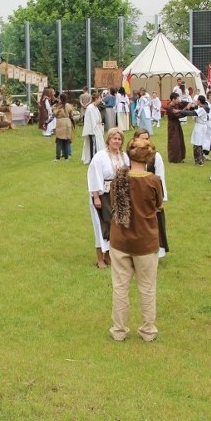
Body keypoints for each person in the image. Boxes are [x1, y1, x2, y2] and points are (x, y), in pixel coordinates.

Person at [108, 136, 164, 342]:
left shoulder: (118, 179)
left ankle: (119, 330)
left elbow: (113, 202)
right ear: (149, 157)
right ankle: (148, 330)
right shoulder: (153, 181)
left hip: (120, 239)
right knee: (147, 287)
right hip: (145, 241)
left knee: (120, 286)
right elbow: (159, 205)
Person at [87, 128, 129, 269]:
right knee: (102, 224)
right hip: (102, 194)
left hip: (118, 194)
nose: (117, 141)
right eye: (114, 138)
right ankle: (100, 258)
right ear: (108, 140)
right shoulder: (100, 157)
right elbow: (94, 176)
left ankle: (109, 256)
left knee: (115, 225)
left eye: (119, 139)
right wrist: (96, 196)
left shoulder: (124, 156)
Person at [133, 128, 169, 258]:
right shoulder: (131, 156)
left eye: (147, 138)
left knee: (154, 224)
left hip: (151, 196)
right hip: (136, 194)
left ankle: (156, 252)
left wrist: (161, 199)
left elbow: (160, 178)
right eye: (142, 138)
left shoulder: (155, 156)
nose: (145, 141)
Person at [164, 93, 189, 163]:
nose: (178, 100)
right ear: (173, 99)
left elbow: (184, 104)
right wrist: (186, 109)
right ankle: (174, 158)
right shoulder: (169, 107)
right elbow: (177, 115)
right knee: (174, 141)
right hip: (172, 125)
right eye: (177, 99)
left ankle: (180, 157)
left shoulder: (176, 105)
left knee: (179, 140)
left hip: (177, 124)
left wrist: (188, 105)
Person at [82, 93, 104, 164]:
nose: (100, 100)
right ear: (96, 99)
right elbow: (92, 120)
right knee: (94, 144)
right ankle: (93, 158)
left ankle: (96, 158)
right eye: (100, 98)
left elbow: (98, 118)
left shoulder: (95, 107)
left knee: (96, 143)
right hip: (92, 130)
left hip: (97, 128)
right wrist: (96, 127)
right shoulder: (90, 107)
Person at [190, 95, 211, 165]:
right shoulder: (202, 107)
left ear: (199, 101)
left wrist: (180, 112)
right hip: (200, 126)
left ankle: (199, 161)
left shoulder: (202, 109)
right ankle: (198, 160)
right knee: (197, 143)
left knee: (198, 143)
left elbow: (193, 113)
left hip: (200, 126)